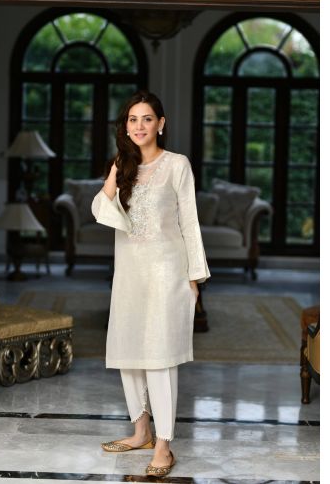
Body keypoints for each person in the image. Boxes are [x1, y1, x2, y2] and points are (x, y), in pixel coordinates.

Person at [91, 90, 211, 476]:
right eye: (132, 119)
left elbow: (189, 221)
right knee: (127, 350)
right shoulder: (122, 167)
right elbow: (101, 208)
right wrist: (116, 168)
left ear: (161, 124)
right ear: (125, 126)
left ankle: (164, 445)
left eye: (146, 118)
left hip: (166, 273)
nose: (139, 126)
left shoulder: (177, 165)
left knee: (160, 357)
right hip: (129, 273)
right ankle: (141, 432)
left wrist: (195, 277)